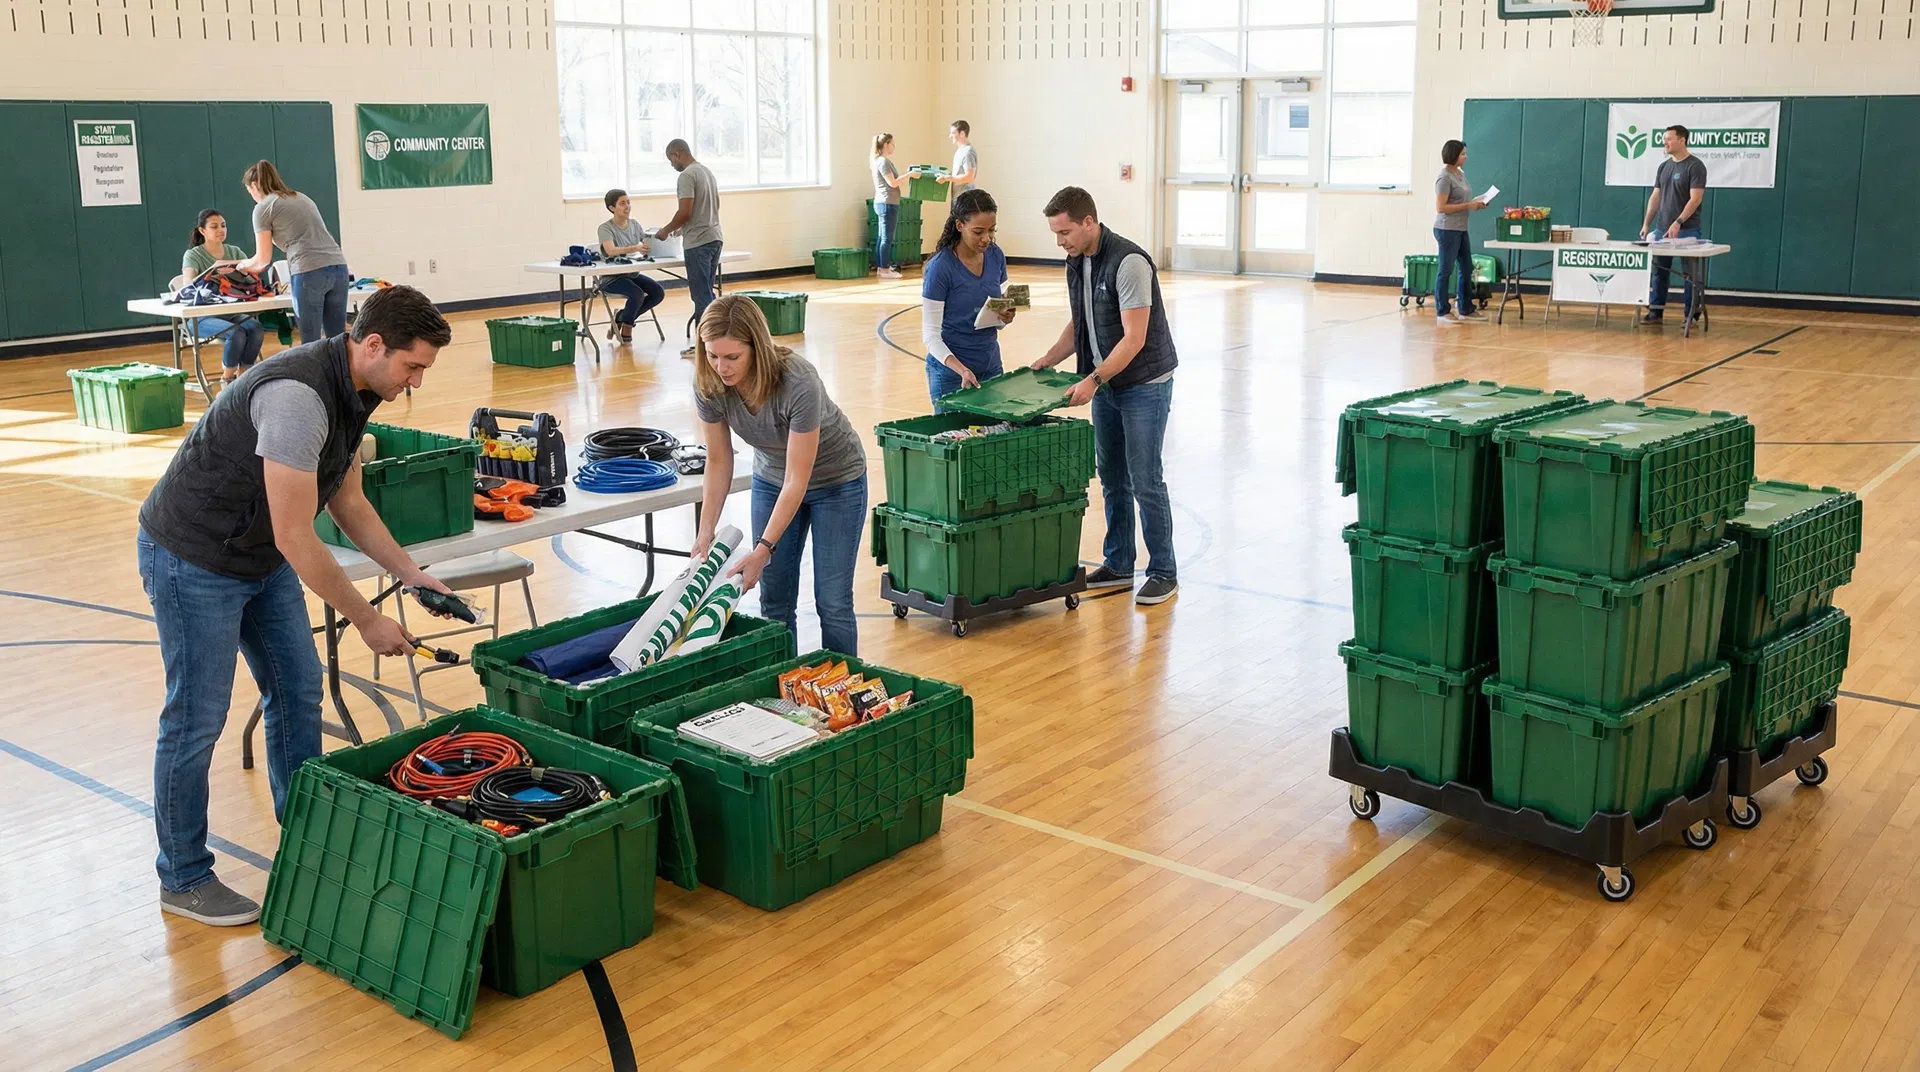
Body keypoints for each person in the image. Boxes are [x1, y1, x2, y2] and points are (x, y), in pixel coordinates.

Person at [136, 285, 457, 927]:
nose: (417, 381)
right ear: (371, 345)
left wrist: (412, 573)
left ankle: (310, 841)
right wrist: (366, 619)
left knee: (297, 687)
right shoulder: (297, 398)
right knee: (197, 718)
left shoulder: (361, 388)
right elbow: (294, 532)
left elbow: (347, 501)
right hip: (194, 556)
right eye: (412, 365)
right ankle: (184, 876)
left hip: (256, 553)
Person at [690, 296, 868, 656]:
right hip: (772, 478)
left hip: (837, 482)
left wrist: (763, 548)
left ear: (757, 348)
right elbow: (719, 461)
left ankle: (847, 691)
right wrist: (705, 530)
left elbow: (797, 480)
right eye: (712, 355)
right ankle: (781, 687)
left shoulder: (798, 382)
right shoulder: (709, 385)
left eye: (732, 357)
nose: (721, 367)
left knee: (832, 602)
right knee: (774, 598)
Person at [1031, 186, 1179, 606]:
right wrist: (1050, 358)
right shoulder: (1076, 262)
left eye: (1065, 232)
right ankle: (1118, 563)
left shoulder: (1129, 262)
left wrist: (1093, 380)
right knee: (1112, 476)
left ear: (1089, 222)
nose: (1060, 242)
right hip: (1108, 383)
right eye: (1056, 234)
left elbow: (1133, 340)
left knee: (1145, 478)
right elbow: (1081, 323)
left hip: (1143, 385)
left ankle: (1164, 571)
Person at [231, 160, 350, 344]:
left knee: (310, 342)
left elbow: (263, 259)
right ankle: (342, 373)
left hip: (309, 270)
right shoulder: (301, 197)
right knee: (338, 340)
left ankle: (311, 374)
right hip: (339, 267)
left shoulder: (262, 209)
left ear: (254, 185)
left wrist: (243, 265)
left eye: (250, 191)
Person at [922, 189, 1015, 405]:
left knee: (993, 435)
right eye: (978, 231)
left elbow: (997, 310)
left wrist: (1004, 318)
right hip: (951, 374)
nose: (986, 239)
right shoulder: (940, 268)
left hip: (990, 365)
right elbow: (930, 335)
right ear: (959, 226)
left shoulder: (996, 255)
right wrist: (961, 370)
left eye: (992, 230)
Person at [181, 208, 268, 384]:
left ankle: (244, 375)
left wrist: (244, 270)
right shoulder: (193, 255)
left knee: (255, 328)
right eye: (214, 226)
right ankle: (227, 380)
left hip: (229, 312)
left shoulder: (234, 251)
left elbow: (252, 277)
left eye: (223, 225)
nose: (221, 230)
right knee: (236, 333)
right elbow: (188, 286)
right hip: (200, 317)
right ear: (202, 230)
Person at [656, 139, 724, 356]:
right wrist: (682, 228)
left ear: (678, 154)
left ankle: (705, 347)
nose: (671, 165)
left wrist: (666, 230)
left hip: (698, 243)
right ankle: (714, 340)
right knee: (707, 291)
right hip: (715, 237)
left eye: (670, 159)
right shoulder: (706, 172)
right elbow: (714, 205)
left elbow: (685, 211)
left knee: (701, 295)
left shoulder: (686, 176)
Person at [1640, 124, 1708, 324]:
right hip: (1662, 228)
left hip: (1687, 229)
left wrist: (1678, 221)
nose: (1665, 142)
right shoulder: (1664, 166)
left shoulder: (1695, 166)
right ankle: (1656, 311)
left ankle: (1691, 314)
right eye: (1664, 139)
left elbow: (1695, 199)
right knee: (1659, 271)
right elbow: (1656, 196)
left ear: (1682, 140)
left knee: (1690, 274)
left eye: (1669, 139)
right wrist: (1646, 224)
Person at [596, 189, 667, 344]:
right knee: (637, 294)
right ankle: (628, 325)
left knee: (658, 292)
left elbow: (647, 242)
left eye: (628, 202)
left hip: (631, 274)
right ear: (612, 208)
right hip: (611, 279)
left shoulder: (634, 224)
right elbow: (610, 251)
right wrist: (635, 248)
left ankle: (621, 317)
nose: (627, 206)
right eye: (622, 203)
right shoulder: (605, 228)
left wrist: (664, 239)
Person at [1433, 139, 1489, 324]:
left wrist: (1476, 204)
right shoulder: (1444, 178)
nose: (1466, 157)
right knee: (1446, 269)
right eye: (1463, 154)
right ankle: (1442, 310)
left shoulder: (1460, 175)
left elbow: (1460, 200)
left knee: (1467, 268)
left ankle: (1466, 308)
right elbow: (1441, 207)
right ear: (1453, 156)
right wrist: (1468, 205)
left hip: (1461, 228)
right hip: (1447, 229)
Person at [870, 134, 914, 281]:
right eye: (893, 144)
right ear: (886, 144)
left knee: (882, 237)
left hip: (884, 202)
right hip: (887, 203)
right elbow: (893, 183)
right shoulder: (883, 162)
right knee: (886, 238)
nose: (894, 147)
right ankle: (884, 268)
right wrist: (909, 175)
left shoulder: (881, 161)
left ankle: (881, 267)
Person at [941, 120, 978, 196]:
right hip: (957, 197)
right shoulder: (959, 151)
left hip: (966, 198)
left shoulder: (968, 152)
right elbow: (957, 174)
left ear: (962, 134)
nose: (950, 136)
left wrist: (947, 178)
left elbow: (969, 177)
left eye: (953, 133)